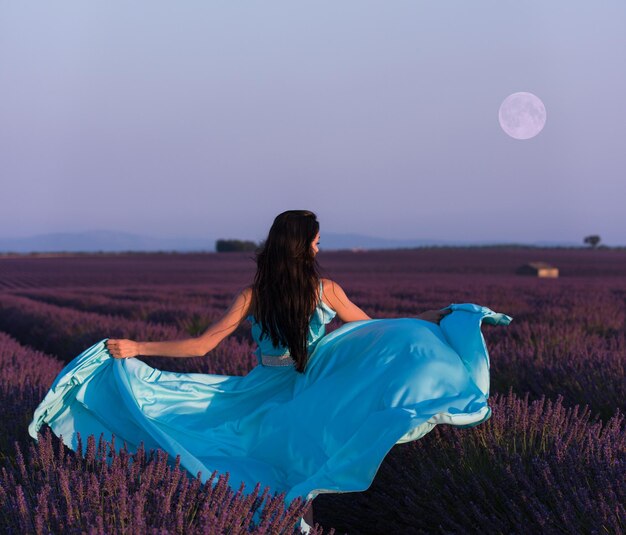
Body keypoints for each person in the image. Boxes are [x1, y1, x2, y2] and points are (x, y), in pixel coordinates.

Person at [30, 210, 512, 534]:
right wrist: (436, 320)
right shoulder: (326, 290)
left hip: (262, 391)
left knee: (229, 450)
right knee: (302, 467)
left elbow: (201, 346)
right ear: (304, 247)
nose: (321, 247)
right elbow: (375, 332)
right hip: (315, 388)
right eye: (318, 241)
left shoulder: (252, 295)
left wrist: (139, 347)